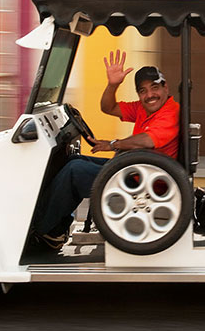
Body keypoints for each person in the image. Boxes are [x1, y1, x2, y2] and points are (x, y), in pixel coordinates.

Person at [29, 50, 180, 251]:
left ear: (165, 86)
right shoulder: (145, 108)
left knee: (75, 172)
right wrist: (113, 84)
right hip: (135, 169)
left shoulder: (170, 112)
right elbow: (108, 107)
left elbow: (147, 140)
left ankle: (39, 230)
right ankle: (56, 228)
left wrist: (112, 144)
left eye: (154, 87)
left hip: (145, 183)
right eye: (143, 91)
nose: (149, 95)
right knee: (72, 161)